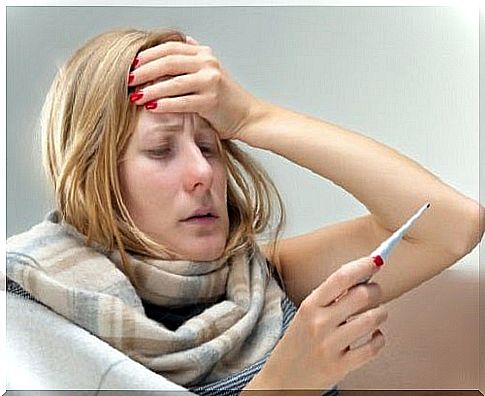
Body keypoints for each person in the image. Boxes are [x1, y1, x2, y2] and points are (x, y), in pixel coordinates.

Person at [5, 27, 483, 395]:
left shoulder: (265, 279)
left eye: (210, 146)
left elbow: (451, 225)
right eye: (161, 149)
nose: (203, 173)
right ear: (94, 174)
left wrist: (256, 117)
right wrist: (281, 385)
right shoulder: (29, 307)